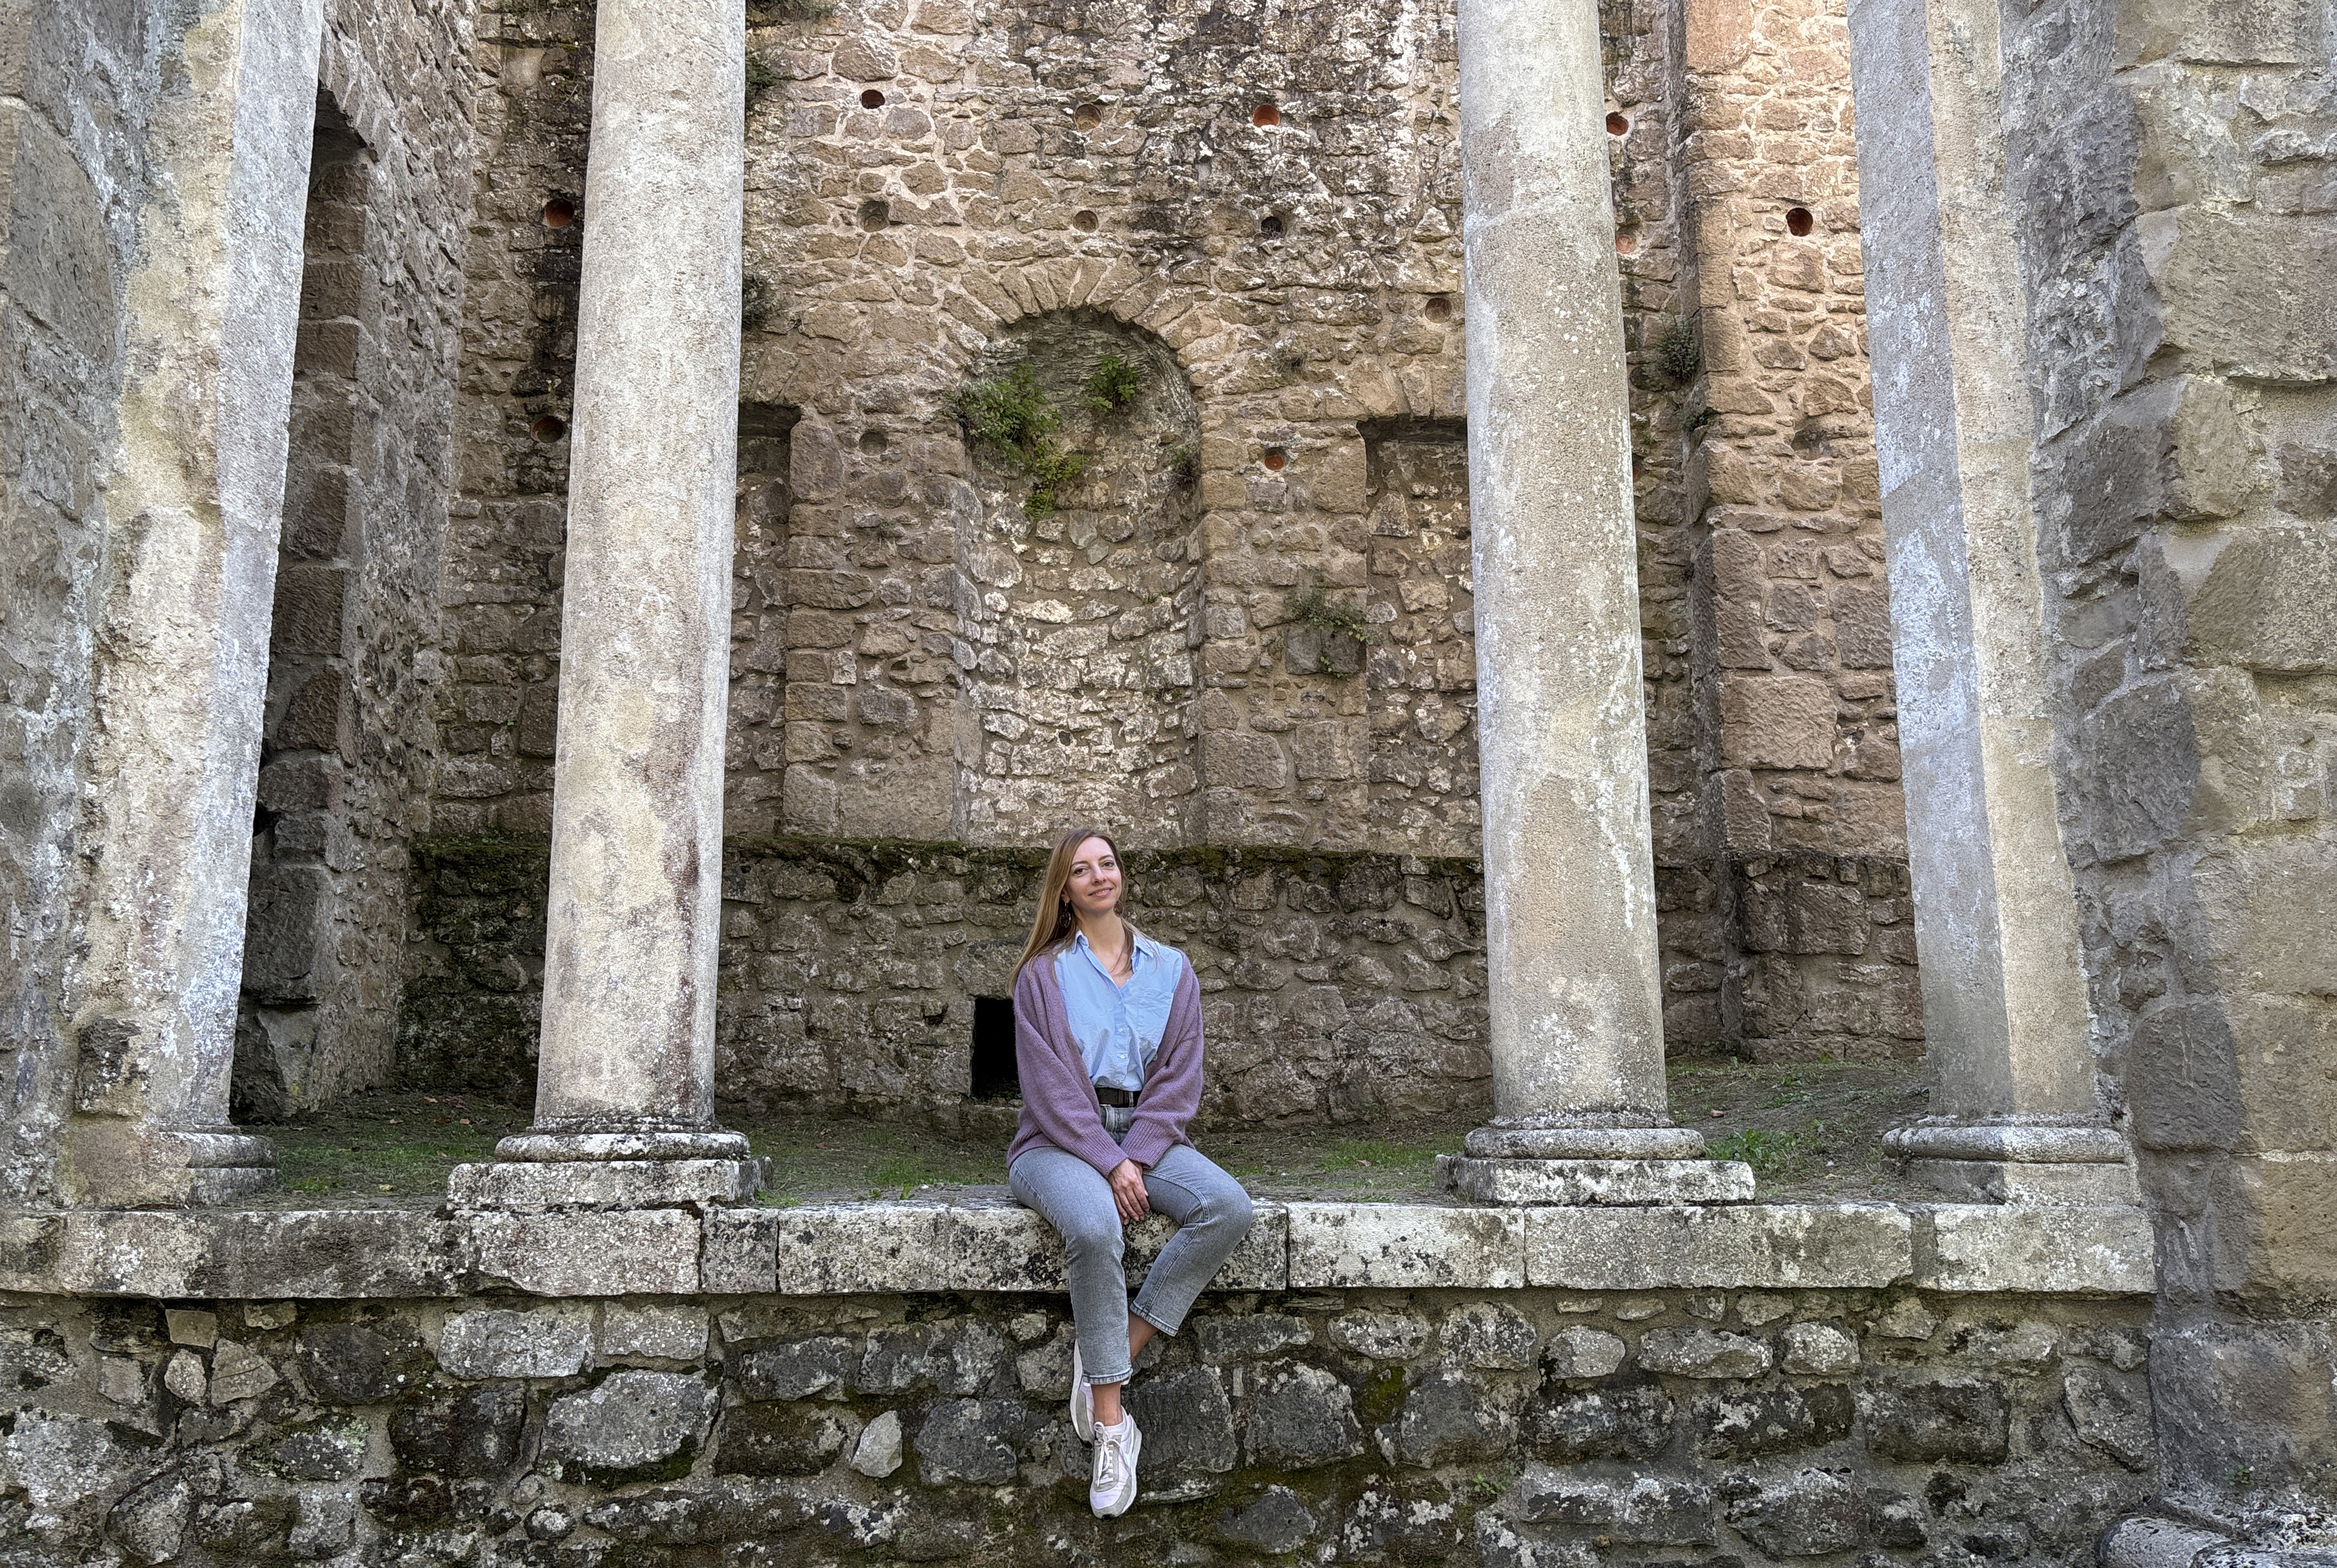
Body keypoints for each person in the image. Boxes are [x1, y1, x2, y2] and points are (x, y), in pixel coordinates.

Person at [1005, 825, 1256, 1518]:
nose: (1098, 877)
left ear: (1122, 875)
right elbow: (1052, 1091)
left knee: (1228, 1206)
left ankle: (1111, 1349)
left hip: (1147, 1134)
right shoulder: (1043, 975)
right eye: (1081, 870)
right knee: (1092, 1226)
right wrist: (1110, 1161)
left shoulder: (1172, 969)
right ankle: (1114, 1426)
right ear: (1065, 888)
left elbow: (1178, 1081)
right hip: (1055, 1144)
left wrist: (1135, 1155)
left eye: (1107, 863)